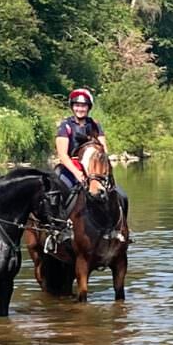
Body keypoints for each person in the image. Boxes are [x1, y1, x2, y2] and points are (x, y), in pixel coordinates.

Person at [54, 88, 128, 238]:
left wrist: (104, 166)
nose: (80, 108)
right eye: (77, 105)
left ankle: (120, 227)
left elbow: (102, 147)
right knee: (58, 192)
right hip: (71, 166)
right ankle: (59, 230)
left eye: (83, 105)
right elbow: (62, 154)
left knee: (121, 195)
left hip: (94, 166)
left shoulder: (95, 124)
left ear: (88, 107)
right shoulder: (65, 126)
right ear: (72, 106)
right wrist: (77, 173)